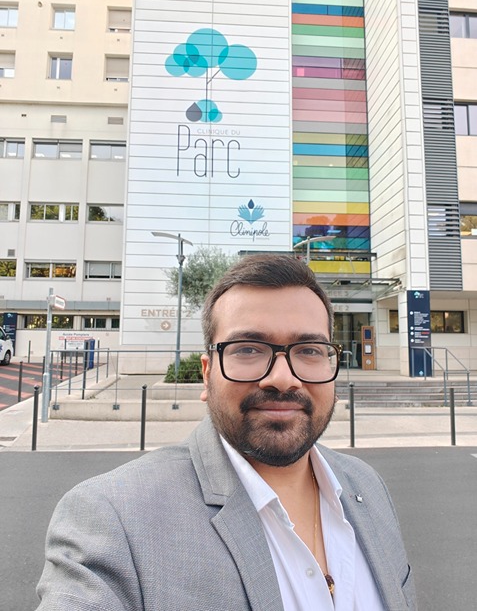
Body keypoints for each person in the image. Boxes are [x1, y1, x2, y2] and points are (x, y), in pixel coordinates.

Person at [36, 253, 417, 611]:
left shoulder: (367, 486)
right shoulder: (113, 516)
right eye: (248, 349)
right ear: (207, 374)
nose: (282, 378)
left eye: (309, 350)